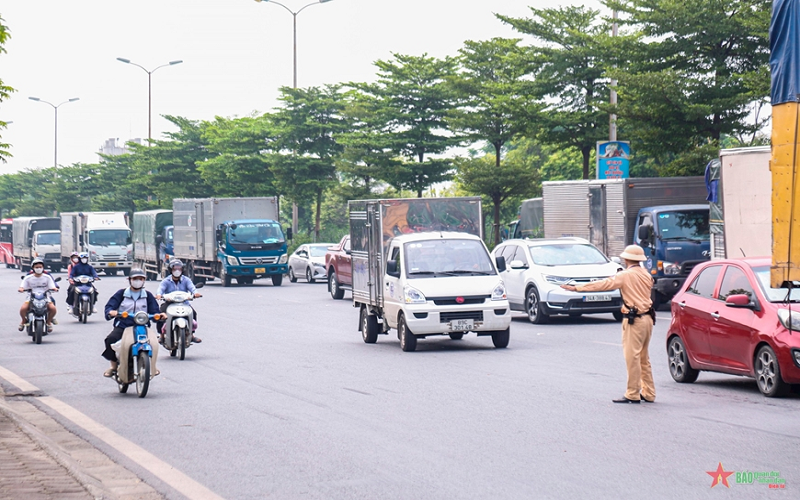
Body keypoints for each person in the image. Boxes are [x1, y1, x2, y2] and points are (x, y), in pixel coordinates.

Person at [561, 244, 656, 404]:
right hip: (647, 319)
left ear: (626, 259)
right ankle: (649, 392)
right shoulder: (646, 275)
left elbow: (603, 284)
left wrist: (576, 288)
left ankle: (632, 393)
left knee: (631, 357)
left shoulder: (625, 275)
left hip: (634, 320)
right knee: (643, 357)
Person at [102, 268, 160, 377]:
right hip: (123, 325)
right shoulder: (121, 293)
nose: (138, 281)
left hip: (143, 326)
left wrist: (159, 315)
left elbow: (155, 311)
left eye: (141, 279)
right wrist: (112, 312)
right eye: (135, 279)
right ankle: (113, 366)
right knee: (110, 340)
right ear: (130, 280)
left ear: (144, 280)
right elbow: (110, 306)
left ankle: (152, 366)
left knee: (153, 343)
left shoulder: (148, 295)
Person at [155, 259, 203, 342]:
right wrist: (159, 295)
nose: (177, 271)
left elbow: (192, 288)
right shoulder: (166, 281)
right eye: (175, 269)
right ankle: (161, 335)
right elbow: (160, 289)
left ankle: (191, 334)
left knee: (193, 313)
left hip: (184, 303)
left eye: (179, 269)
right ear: (171, 270)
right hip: (169, 304)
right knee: (160, 314)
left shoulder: (186, 280)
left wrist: (196, 293)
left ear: (182, 270)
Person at [18, 258, 59, 332]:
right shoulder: (28, 278)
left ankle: (49, 321)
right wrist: (21, 289)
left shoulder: (47, 277)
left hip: (45, 296)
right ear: (33, 268)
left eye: (40, 267)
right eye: (37, 267)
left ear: (43, 268)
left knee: (53, 308)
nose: (38, 269)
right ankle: (23, 320)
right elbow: (22, 286)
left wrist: (54, 289)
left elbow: (52, 286)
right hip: (31, 296)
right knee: (23, 308)